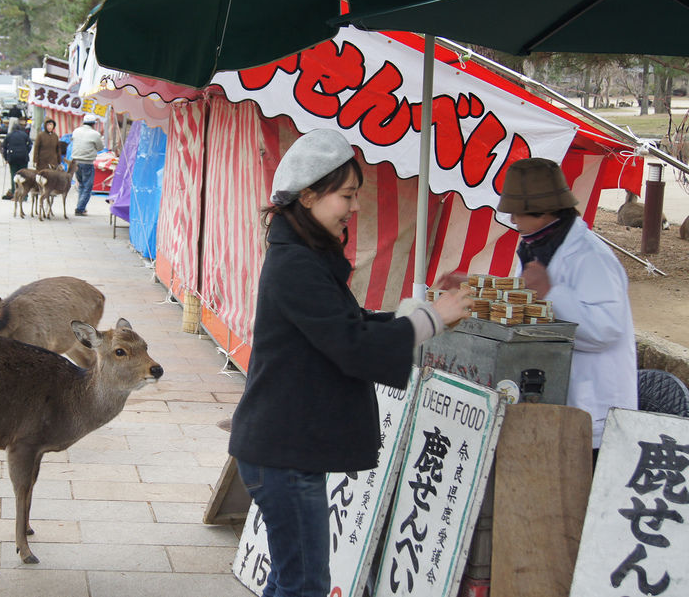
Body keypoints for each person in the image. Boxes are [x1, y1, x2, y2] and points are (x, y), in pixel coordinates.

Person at [227, 129, 471, 597]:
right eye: (347, 195)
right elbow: (352, 344)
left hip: (284, 449)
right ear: (309, 195)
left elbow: (349, 323)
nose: (355, 208)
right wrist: (430, 321)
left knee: (289, 582)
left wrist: (418, 317)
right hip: (284, 455)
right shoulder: (295, 264)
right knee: (305, 586)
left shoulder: (304, 256)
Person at [497, 157, 637, 455]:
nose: (513, 220)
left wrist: (551, 292)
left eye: (518, 212)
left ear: (544, 211)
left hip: (594, 411)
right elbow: (525, 301)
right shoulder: (535, 247)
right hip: (556, 406)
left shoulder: (592, 256)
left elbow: (607, 328)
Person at [70, 116, 104, 216]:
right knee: (87, 187)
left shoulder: (76, 131)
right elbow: (100, 147)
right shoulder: (95, 134)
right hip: (87, 162)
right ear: (93, 124)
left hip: (76, 161)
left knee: (81, 184)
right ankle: (80, 208)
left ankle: (81, 206)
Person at [1, 123, 32, 200]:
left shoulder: (9, 135)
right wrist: (26, 152)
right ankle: (24, 196)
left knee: (14, 176)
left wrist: (6, 158)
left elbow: (4, 147)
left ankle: (16, 194)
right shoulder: (24, 135)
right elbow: (30, 144)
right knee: (24, 176)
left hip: (13, 158)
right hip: (23, 158)